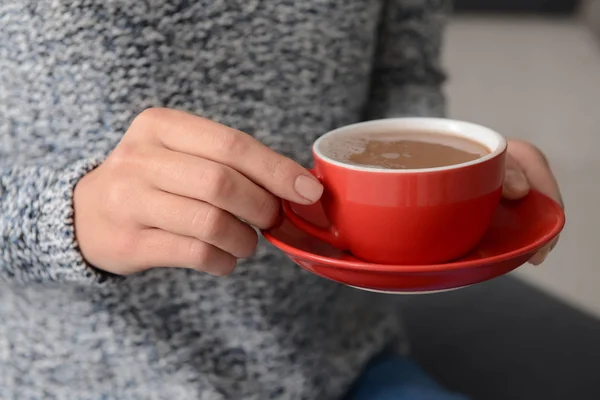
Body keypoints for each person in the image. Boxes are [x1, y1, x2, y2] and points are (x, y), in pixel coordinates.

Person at [0, 1, 562, 399]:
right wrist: (62, 217)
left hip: (342, 364)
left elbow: (402, 74)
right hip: (77, 380)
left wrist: (452, 181)